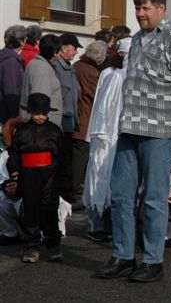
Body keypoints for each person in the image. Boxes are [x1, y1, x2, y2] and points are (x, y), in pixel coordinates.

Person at [97, 0, 171, 283]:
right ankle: (123, 256)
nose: (140, 13)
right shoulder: (137, 39)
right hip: (130, 126)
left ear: (161, 8)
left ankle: (153, 261)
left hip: (160, 129)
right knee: (120, 195)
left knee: (155, 199)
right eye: (137, 8)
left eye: (145, 8)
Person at [83, 38, 131, 242]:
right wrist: (104, 133)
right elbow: (104, 109)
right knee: (102, 177)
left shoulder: (117, 74)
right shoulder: (114, 76)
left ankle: (110, 222)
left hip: (116, 135)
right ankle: (100, 224)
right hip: (109, 136)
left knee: (111, 179)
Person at [7, 93, 64, 263]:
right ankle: (32, 246)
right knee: (31, 210)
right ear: (30, 112)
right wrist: (15, 172)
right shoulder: (22, 131)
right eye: (36, 113)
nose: (40, 117)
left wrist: (63, 181)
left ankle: (53, 244)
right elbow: (14, 155)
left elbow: (62, 157)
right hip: (28, 176)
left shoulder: (54, 131)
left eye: (43, 113)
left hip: (50, 175)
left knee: (50, 209)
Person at [71, 41, 107, 205]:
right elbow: (97, 96)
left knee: (75, 154)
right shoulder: (92, 73)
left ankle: (74, 186)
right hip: (85, 119)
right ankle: (75, 188)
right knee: (80, 154)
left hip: (76, 117)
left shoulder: (77, 65)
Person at [52, 33, 82, 198]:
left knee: (66, 159)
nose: (76, 52)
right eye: (74, 48)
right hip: (59, 123)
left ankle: (64, 192)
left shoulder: (70, 69)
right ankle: (61, 193)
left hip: (68, 123)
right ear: (63, 48)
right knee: (61, 160)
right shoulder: (56, 67)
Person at [19, 34, 63, 128]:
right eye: (60, 50)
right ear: (55, 52)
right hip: (42, 129)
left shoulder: (40, 65)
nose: (61, 53)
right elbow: (40, 102)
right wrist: (43, 130)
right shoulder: (41, 69)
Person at [0, 25, 27, 124]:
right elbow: (11, 91)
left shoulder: (5, 56)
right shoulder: (11, 61)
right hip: (5, 116)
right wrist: (16, 117)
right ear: (21, 41)